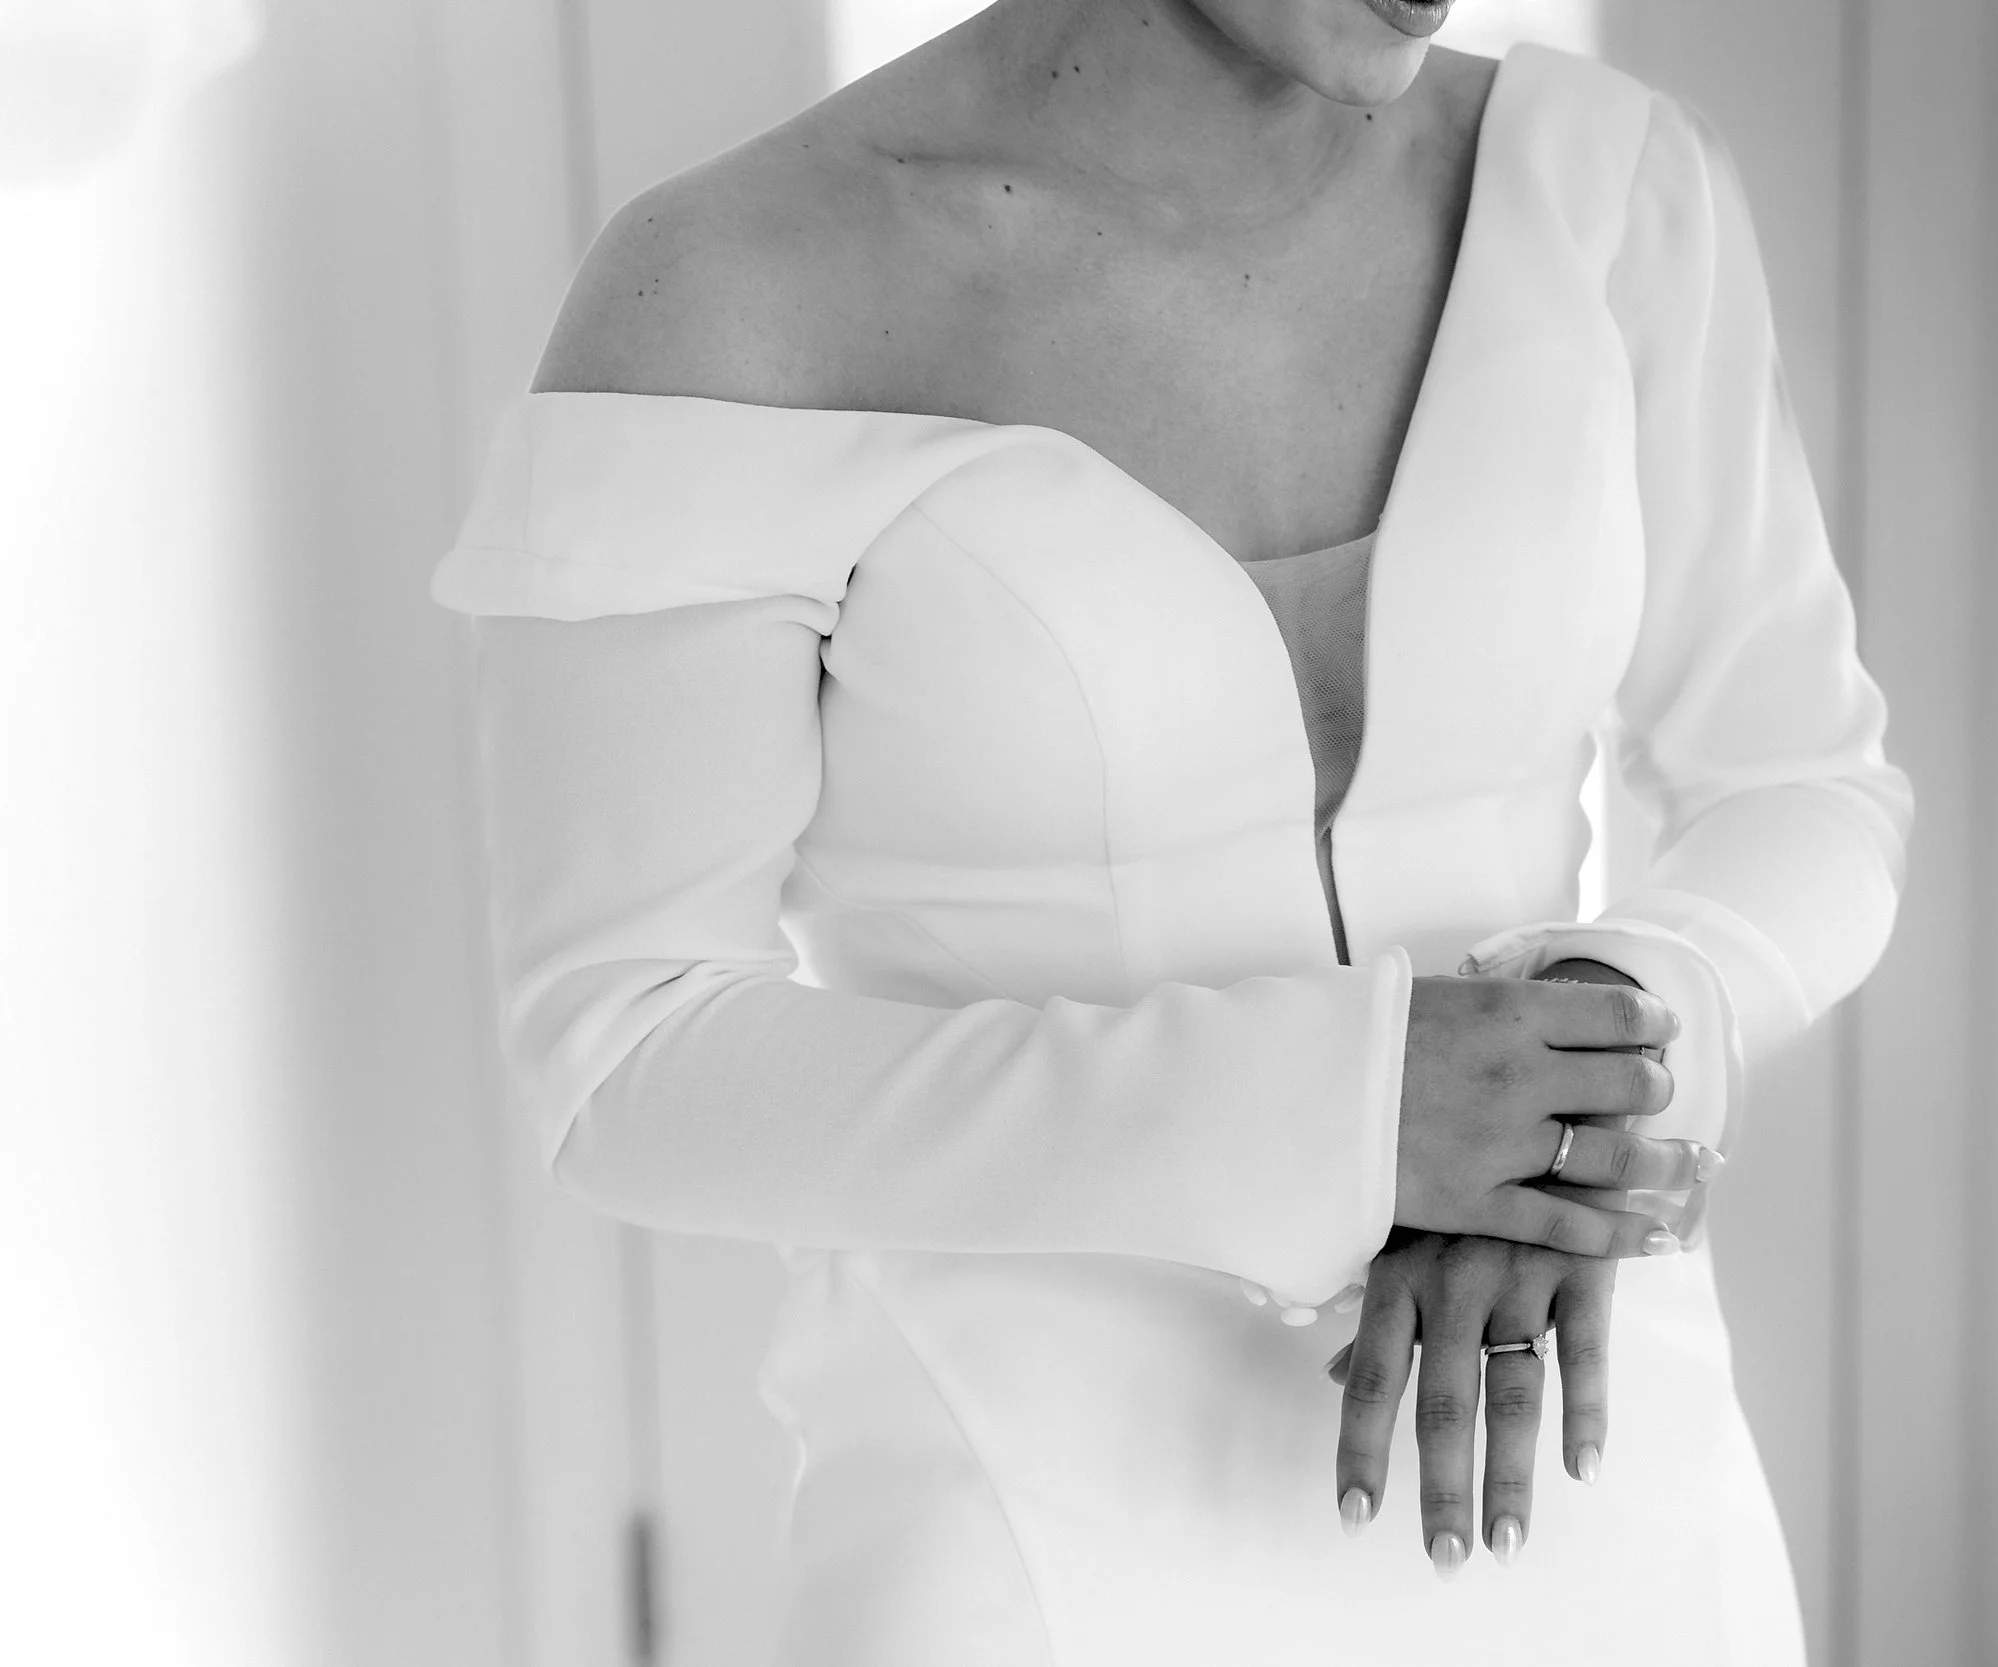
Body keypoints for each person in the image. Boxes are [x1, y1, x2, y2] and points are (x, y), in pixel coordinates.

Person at [432, 1, 1913, 1661]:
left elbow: (1804, 785)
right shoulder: (730, 289)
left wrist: (1591, 1032)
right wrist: (1353, 1109)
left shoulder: (1611, 192)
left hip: (1584, 1467)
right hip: (1028, 1528)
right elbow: (625, 1053)